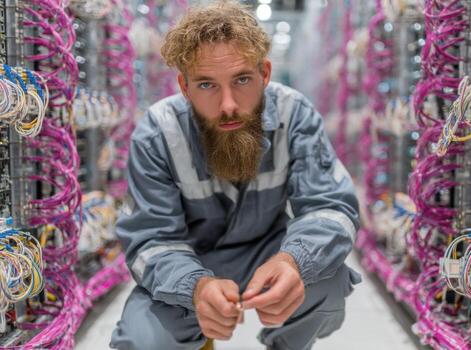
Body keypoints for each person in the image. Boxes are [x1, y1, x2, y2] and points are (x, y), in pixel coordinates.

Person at [110, 2, 361, 350]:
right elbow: (150, 240)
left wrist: (293, 262)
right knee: (141, 341)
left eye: (242, 79)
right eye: (207, 85)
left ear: (265, 74)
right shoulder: (157, 134)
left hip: (269, 257)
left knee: (327, 279)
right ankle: (200, 335)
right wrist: (195, 287)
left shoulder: (295, 115)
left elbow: (331, 207)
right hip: (188, 262)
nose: (228, 104)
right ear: (184, 86)